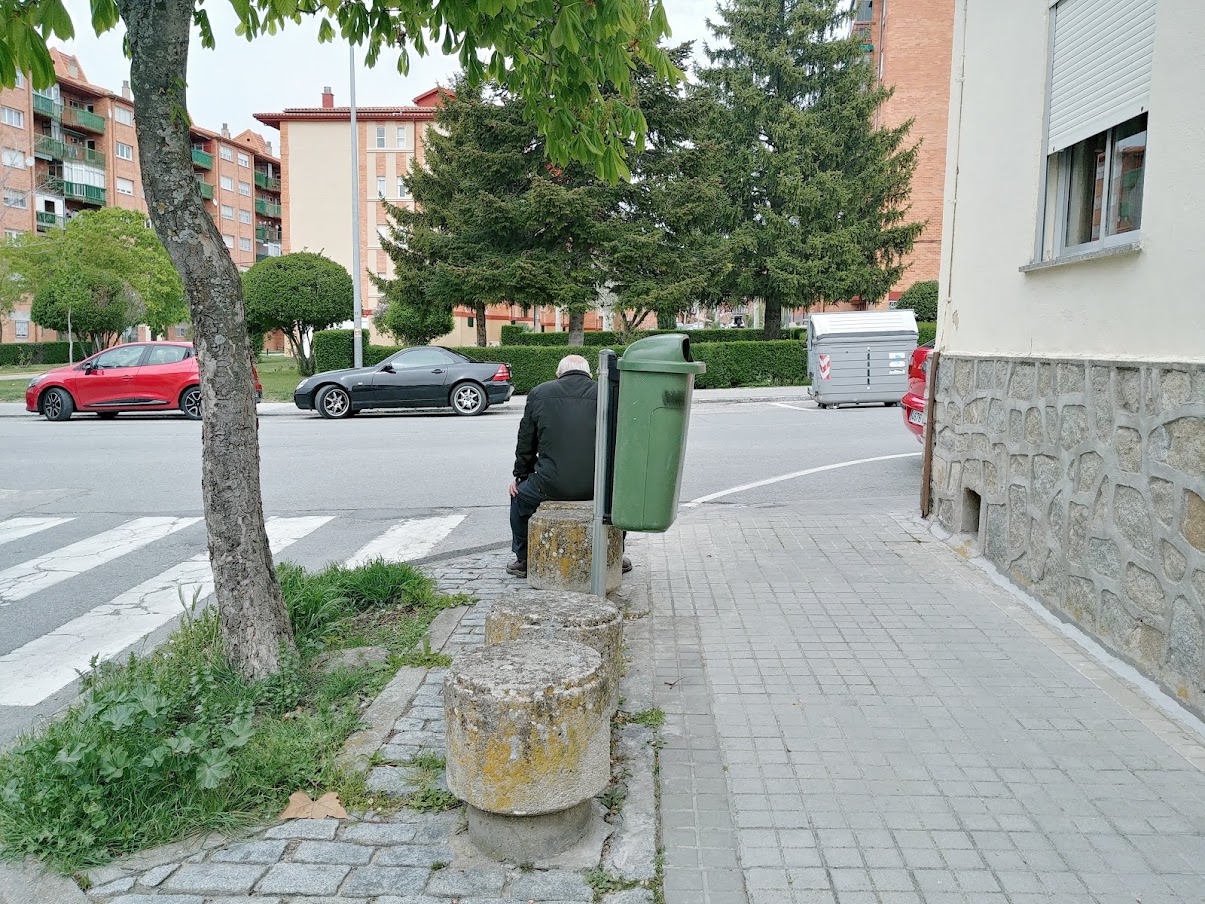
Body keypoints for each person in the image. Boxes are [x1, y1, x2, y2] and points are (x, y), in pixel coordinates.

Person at [507, 354, 631, 578]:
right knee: (616, 502)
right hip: (598, 484)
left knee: (519, 497)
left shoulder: (539, 393)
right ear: (589, 374)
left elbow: (525, 442)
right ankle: (616, 556)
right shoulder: (607, 392)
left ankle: (524, 559)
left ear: (558, 374)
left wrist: (520, 476)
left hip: (550, 485)